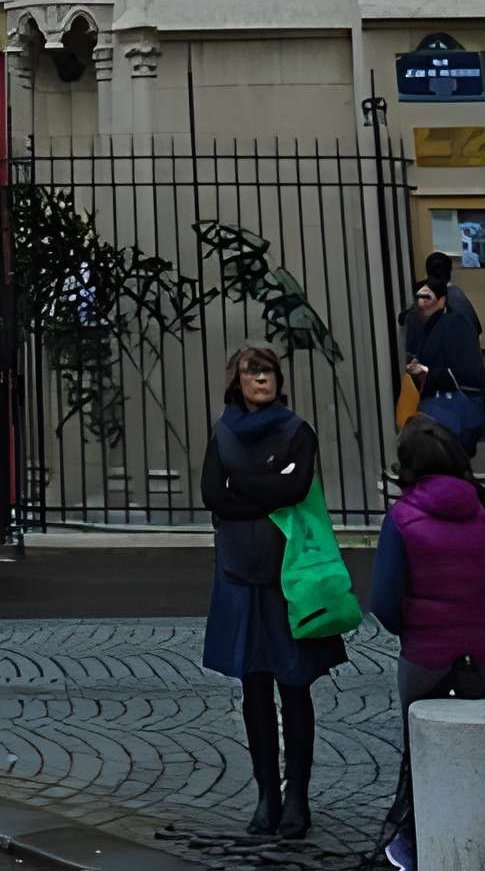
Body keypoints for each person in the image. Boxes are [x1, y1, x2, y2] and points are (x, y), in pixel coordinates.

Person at [201, 340, 346, 843]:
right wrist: (263, 488)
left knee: (295, 687)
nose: (260, 379)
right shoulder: (222, 432)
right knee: (253, 688)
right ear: (236, 379)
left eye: (267, 371)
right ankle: (267, 793)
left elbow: (296, 487)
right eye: (250, 371)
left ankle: (297, 796)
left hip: (289, 575)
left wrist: (245, 489)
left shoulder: (297, 431)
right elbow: (212, 496)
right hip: (240, 573)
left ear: (279, 379)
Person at [370, 417, 485, 871]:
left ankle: (415, 846)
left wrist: (416, 627)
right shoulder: (481, 513)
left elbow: (382, 601)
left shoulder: (401, 519)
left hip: (426, 657)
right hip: (483, 658)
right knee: (477, 754)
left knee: (420, 756)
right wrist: (480, 622)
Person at [404, 272, 485, 456]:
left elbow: (463, 370)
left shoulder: (450, 323)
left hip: (450, 408)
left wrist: (425, 369)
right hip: (458, 407)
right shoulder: (449, 313)